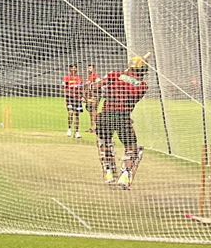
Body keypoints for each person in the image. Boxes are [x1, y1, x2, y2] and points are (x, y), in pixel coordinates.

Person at [97, 56, 150, 188]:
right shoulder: (142, 86)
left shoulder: (115, 75)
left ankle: (108, 172)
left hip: (105, 115)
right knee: (131, 147)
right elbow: (131, 99)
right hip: (122, 117)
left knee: (104, 143)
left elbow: (97, 86)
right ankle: (125, 176)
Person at [62, 63, 87, 139]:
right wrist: (66, 97)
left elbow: (82, 89)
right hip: (70, 98)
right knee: (70, 113)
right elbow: (64, 88)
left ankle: (77, 132)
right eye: (72, 68)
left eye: (75, 68)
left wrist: (83, 97)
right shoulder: (66, 78)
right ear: (69, 69)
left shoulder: (79, 78)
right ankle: (69, 129)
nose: (73, 69)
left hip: (77, 99)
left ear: (76, 69)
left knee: (77, 115)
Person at [84, 65, 102, 136]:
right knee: (90, 111)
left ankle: (95, 128)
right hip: (89, 96)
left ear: (94, 69)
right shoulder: (89, 77)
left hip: (94, 96)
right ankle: (92, 127)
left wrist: (95, 94)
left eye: (90, 68)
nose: (89, 69)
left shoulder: (96, 76)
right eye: (88, 68)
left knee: (94, 111)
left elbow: (99, 84)